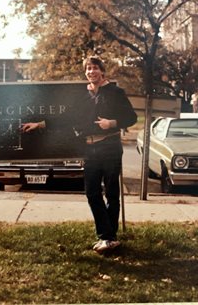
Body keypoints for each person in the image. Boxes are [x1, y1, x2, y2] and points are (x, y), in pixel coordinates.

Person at [21, 56, 137, 253]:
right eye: (88, 69)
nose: (91, 72)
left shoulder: (116, 92)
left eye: (95, 68)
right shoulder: (83, 96)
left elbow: (132, 117)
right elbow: (66, 118)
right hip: (89, 149)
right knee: (92, 192)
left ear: (102, 71)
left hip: (110, 146)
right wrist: (39, 124)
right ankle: (108, 236)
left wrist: (113, 123)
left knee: (111, 193)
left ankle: (107, 238)